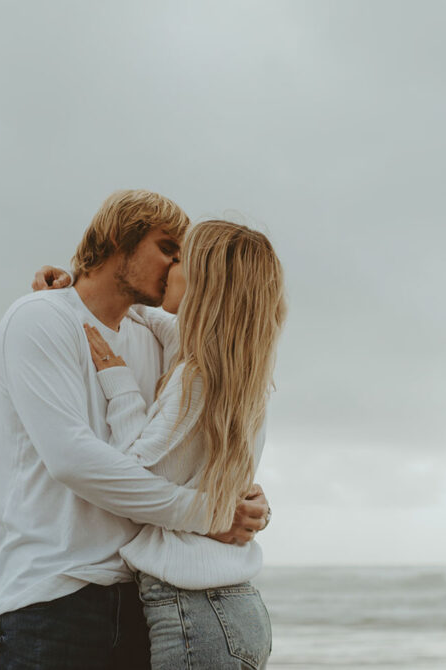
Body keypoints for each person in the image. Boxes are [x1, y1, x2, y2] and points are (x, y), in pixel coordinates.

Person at [0, 191, 270, 670]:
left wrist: (242, 500)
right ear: (120, 238)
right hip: (53, 598)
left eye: (184, 256)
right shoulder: (40, 319)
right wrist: (208, 513)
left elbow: (190, 447)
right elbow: (73, 459)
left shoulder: (153, 335)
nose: (177, 267)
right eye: (167, 249)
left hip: (144, 600)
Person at [79, 220, 286, 669]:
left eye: (180, 260)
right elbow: (148, 315)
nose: (169, 268)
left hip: (197, 615)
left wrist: (119, 385)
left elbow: (134, 477)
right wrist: (72, 287)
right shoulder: (233, 372)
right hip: (226, 610)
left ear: (202, 283)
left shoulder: (195, 381)